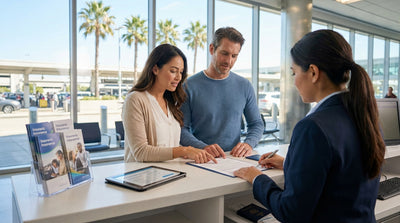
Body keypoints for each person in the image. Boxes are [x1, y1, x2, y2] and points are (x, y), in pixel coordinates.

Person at [234, 30, 385, 222]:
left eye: (294, 72)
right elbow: (341, 175)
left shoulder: (313, 127)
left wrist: (256, 178)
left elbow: (291, 212)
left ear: (313, 72)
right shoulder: (367, 117)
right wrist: (290, 164)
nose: (294, 81)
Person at [122, 43, 216, 164]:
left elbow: (171, 146)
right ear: (155, 69)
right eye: (173, 71)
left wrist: (192, 154)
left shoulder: (171, 102)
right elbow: (140, 152)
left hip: (171, 175)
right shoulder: (135, 100)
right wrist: (185, 150)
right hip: (143, 179)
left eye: (181, 72)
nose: (178, 77)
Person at [180, 27, 263, 158]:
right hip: (201, 158)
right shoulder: (188, 86)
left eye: (234, 56)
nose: (228, 61)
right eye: (224, 53)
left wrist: (248, 144)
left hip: (234, 159)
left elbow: (256, 124)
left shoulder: (244, 85)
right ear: (212, 49)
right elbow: (181, 129)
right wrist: (203, 147)